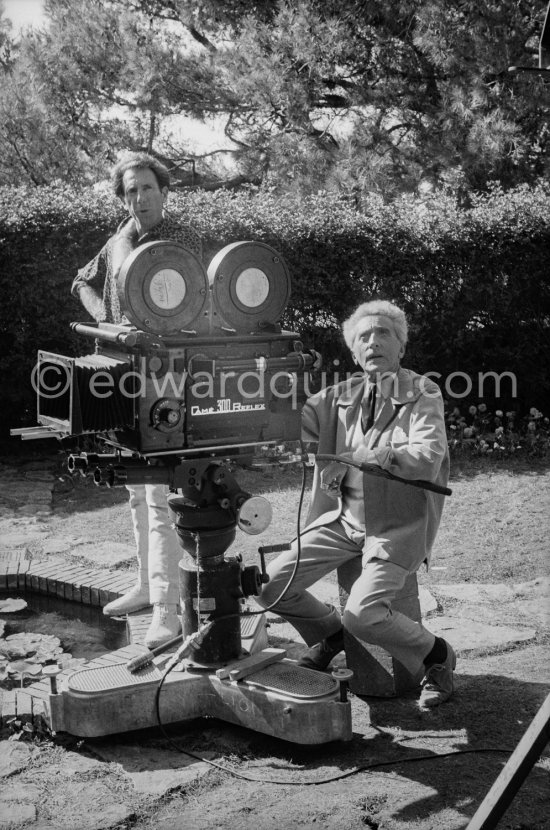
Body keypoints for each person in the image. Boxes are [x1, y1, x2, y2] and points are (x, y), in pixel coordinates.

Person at [257, 300, 455, 708]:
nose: (373, 342)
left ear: (401, 347)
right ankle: (330, 638)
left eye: (384, 333)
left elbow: (428, 455)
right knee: (270, 587)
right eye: (364, 336)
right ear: (353, 353)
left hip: (396, 526)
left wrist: (375, 454)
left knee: (363, 615)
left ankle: (437, 656)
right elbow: (286, 419)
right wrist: (270, 383)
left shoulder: (422, 392)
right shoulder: (334, 399)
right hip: (342, 520)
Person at [71, 151, 202, 649]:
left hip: (167, 376)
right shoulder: (115, 241)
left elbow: (194, 304)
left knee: (160, 494)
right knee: (133, 486)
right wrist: (105, 318)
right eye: (131, 191)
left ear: (163, 192)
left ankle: (167, 611)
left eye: (148, 188)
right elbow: (82, 281)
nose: (140, 198)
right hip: (119, 371)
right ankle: (147, 587)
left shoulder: (181, 240)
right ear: (122, 197)